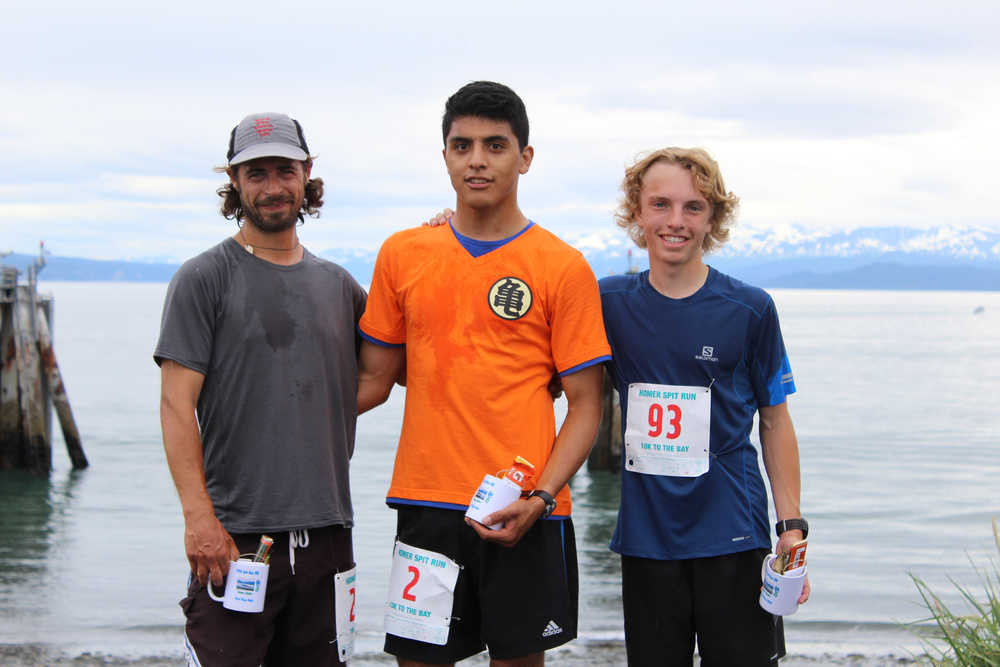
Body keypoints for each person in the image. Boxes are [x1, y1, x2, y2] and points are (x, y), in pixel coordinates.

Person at [357, 81, 611, 666]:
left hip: (523, 505)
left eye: (495, 145)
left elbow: (587, 404)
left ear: (525, 158)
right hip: (425, 502)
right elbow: (372, 380)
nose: (477, 160)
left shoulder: (562, 266)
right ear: (444, 155)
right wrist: (273, 410)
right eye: (462, 144)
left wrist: (541, 498)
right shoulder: (403, 253)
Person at [154, 112, 365, 666]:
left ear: (307, 173)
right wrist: (199, 520)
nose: (273, 187)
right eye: (256, 173)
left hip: (328, 534)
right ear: (234, 179)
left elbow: (383, 378)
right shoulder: (204, 278)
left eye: (284, 170)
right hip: (235, 538)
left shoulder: (339, 286)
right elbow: (177, 406)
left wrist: (437, 240)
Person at [599, 147, 811, 666]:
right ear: (637, 211)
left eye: (693, 207)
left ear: (713, 217)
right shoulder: (605, 303)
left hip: (733, 535)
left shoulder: (750, 308)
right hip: (647, 540)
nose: (676, 221)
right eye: (661, 204)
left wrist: (791, 527)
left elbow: (776, 421)